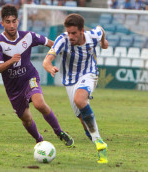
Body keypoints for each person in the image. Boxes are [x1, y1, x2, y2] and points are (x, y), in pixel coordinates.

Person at [0, 4, 74, 147]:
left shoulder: (29, 36)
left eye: (14, 21)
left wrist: (65, 53)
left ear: (18, 20)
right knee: (27, 119)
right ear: (2, 23)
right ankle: (39, 140)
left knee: (39, 104)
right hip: (13, 89)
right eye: (8, 21)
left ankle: (59, 132)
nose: (12, 25)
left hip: (29, 77)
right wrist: (10, 61)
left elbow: (51, 44)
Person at [43, 13, 109, 164]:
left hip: (89, 73)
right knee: (83, 121)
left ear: (81, 31)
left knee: (79, 99)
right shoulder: (62, 40)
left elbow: (101, 30)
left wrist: (104, 43)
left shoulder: (92, 36)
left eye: (74, 33)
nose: (70, 36)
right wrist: (49, 67)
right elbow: (47, 59)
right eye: (68, 32)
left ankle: (99, 141)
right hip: (70, 81)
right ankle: (100, 148)